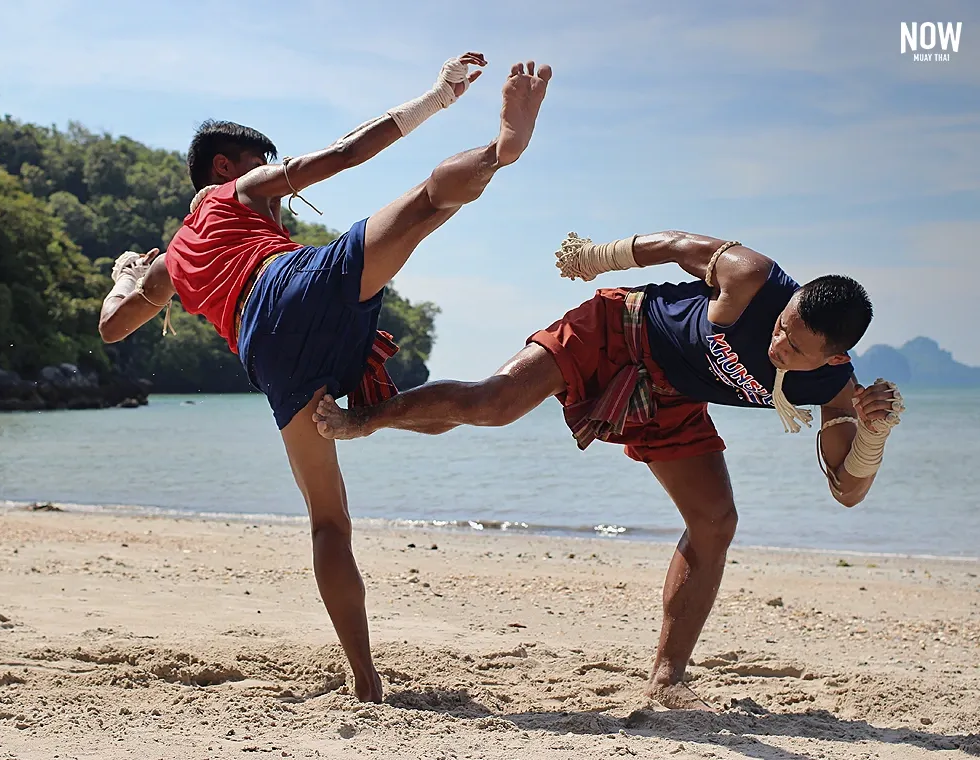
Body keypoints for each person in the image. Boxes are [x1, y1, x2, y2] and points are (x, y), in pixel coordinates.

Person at [97, 53, 553, 702]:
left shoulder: (167, 264)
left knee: (329, 522)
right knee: (425, 202)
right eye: (264, 166)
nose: (279, 199)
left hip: (271, 359)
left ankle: (365, 680)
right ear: (226, 168)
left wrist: (124, 276)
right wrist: (438, 96)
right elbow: (344, 152)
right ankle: (501, 151)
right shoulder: (237, 191)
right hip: (290, 287)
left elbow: (113, 326)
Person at [312, 229, 905, 710]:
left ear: (832, 356)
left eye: (795, 348)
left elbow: (845, 491)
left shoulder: (833, 386)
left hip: (671, 393)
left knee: (715, 522)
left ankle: (668, 678)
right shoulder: (752, 276)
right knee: (493, 404)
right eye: (781, 327)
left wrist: (870, 440)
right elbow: (675, 245)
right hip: (622, 327)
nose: (778, 344)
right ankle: (363, 418)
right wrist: (599, 258)